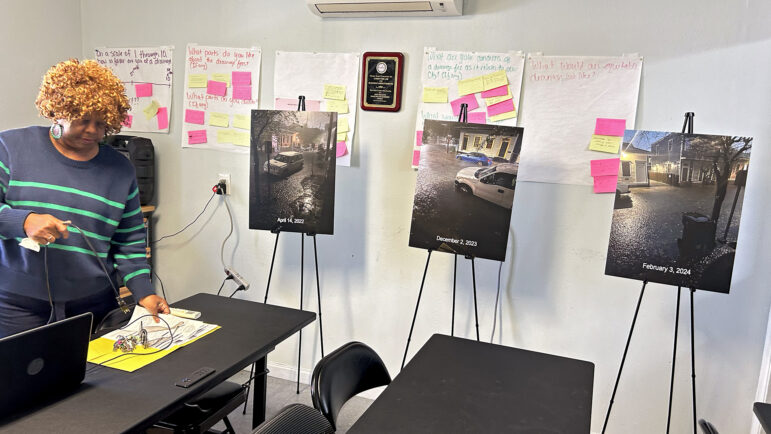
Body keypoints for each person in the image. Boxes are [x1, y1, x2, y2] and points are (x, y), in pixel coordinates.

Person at [0, 59, 169, 338]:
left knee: (92, 368)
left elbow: (129, 242)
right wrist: (24, 221)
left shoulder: (120, 170)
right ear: (59, 110)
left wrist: (144, 292)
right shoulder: (10, 148)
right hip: (17, 306)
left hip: (93, 306)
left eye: (102, 123)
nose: (92, 130)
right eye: (83, 120)